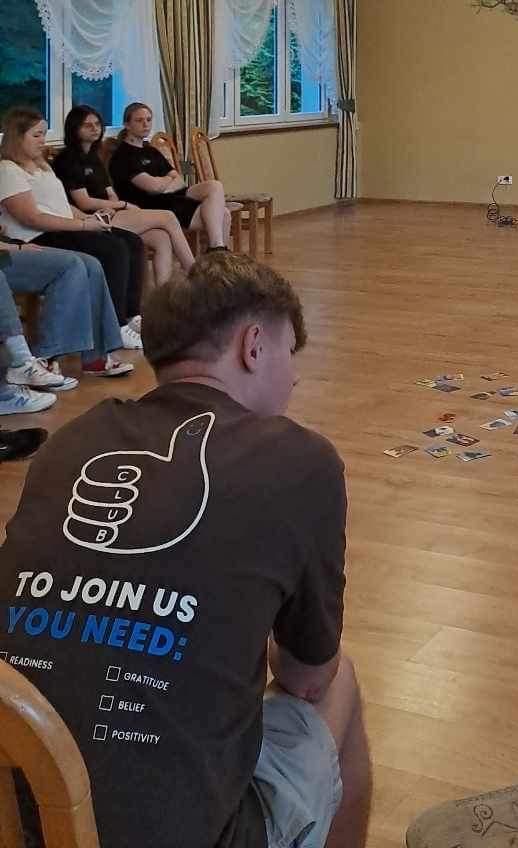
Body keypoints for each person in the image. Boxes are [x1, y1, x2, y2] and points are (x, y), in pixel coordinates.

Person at [0, 251, 371, 848]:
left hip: (18, 817)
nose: (295, 378)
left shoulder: (67, 441)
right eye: (288, 353)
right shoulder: (301, 459)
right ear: (253, 346)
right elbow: (304, 678)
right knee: (340, 681)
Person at [0, 107, 137, 371]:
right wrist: (83, 226)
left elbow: (61, 205)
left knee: (96, 262)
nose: (43, 140)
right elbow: (31, 218)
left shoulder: (43, 166)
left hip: (48, 233)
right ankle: (49, 355)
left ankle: (96, 355)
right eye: (37, 135)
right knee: (87, 260)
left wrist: (88, 220)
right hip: (31, 239)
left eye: (43, 134)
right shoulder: (7, 169)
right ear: (18, 138)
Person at [55, 105, 196, 286]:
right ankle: (194, 273)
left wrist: (114, 206)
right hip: (87, 219)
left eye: (97, 124)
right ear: (74, 128)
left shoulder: (94, 157)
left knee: (162, 238)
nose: (95, 128)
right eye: (87, 125)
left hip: (110, 214)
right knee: (167, 217)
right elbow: (84, 201)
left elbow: (111, 194)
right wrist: (122, 206)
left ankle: (163, 294)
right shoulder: (67, 159)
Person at [1, 237, 130, 394]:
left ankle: (95, 357)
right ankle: (45, 358)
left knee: (91, 264)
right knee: (70, 265)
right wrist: (16, 247)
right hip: (4, 251)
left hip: (8, 243)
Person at [108, 102, 231, 249]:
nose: (145, 124)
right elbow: (152, 188)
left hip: (173, 196)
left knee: (215, 186)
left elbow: (179, 180)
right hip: (153, 205)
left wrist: (164, 184)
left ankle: (216, 251)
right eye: (139, 120)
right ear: (127, 125)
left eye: (148, 119)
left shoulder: (151, 151)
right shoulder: (123, 155)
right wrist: (167, 181)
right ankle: (217, 255)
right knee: (223, 214)